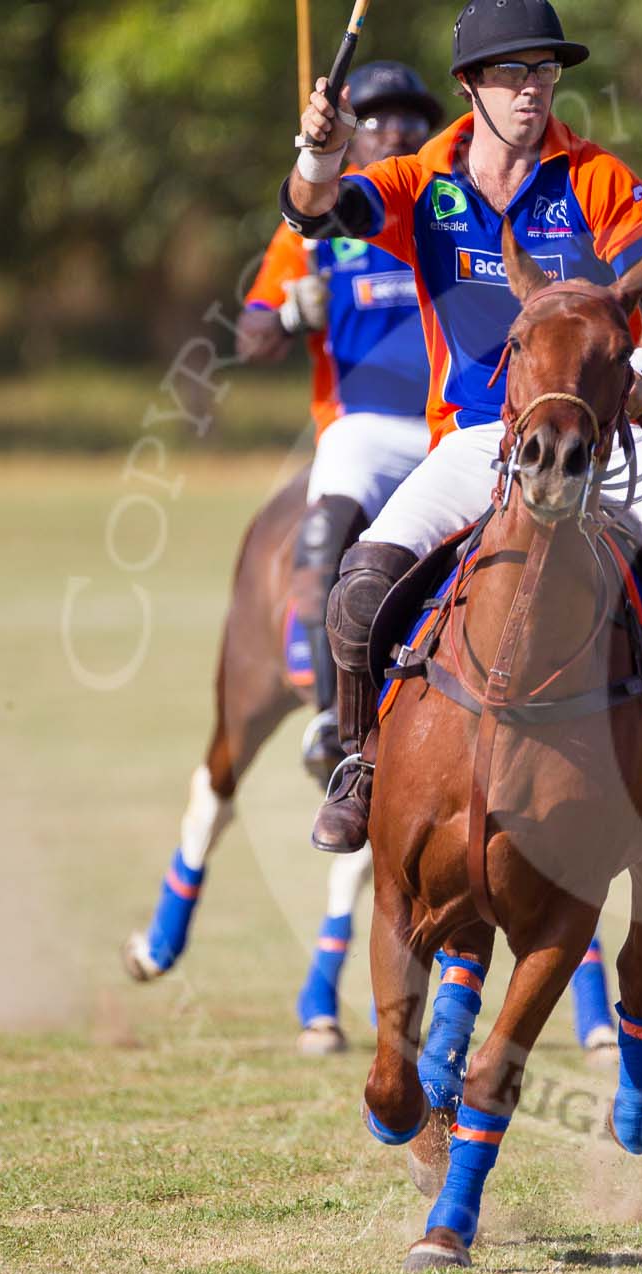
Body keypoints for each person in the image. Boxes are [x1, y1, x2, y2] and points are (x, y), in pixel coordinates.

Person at [279, 0, 642, 857]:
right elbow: (317, 211)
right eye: (514, 73)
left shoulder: (593, 178)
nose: (533, 90)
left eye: (545, 72)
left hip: (610, 436)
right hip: (480, 436)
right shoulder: (420, 180)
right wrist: (320, 150)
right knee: (362, 583)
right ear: (470, 85)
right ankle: (362, 765)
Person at [239, 61, 442, 781]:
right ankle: (332, 716)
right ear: (353, 137)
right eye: (380, 118)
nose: (397, 131)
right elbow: (249, 335)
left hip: (452, 425)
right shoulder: (319, 225)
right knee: (325, 530)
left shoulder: (443, 204)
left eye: (413, 121)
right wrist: (293, 311)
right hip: (362, 426)